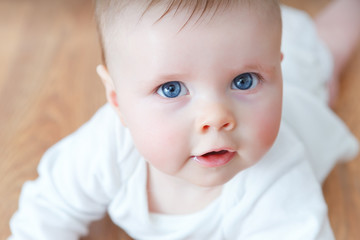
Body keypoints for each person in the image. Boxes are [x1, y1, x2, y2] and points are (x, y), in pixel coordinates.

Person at [9, 0, 359, 239]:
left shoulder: (278, 179)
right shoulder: (107, 145)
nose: (216, 118)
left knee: (325, 52)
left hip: (299, 70)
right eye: (172, 89)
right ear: (117, 100)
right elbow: (46, 211)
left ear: (274, 75)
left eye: (244, 81)